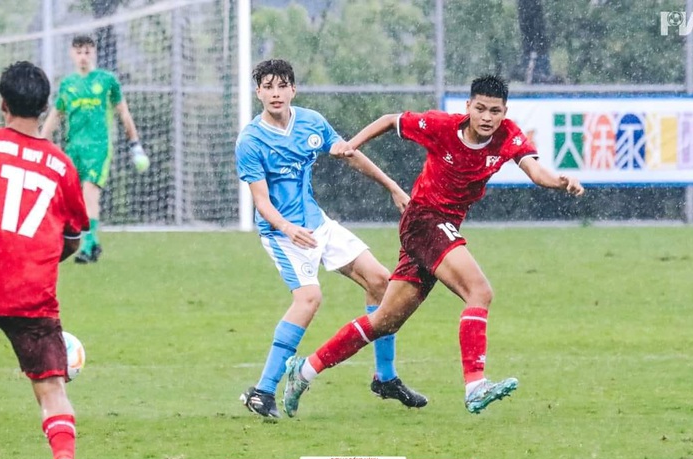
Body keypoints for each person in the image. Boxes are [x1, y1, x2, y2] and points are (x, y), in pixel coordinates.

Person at [282, 74, 585, 417]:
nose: (487, 117)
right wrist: (352, 144)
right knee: (479, 291)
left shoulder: (508, 135)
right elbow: (390, 120)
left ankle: (304, 370)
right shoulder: (441, 126)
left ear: (505, 112)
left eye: (495, 111)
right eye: (481, 109)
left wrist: (560, 181)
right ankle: (475, 386)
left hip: (439, 229)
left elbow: (535, 171)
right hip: (423, 219)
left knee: (384, 322)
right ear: (468, 106)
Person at [235, 59, 427, 418]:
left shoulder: (311, 121)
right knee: (309, 299)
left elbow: (349, 154)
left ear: (293, 89)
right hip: (284, 234)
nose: (275, 93)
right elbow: (261, 202)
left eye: (282, 86)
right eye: (268, 87)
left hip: (317, 223)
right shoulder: (250, 140)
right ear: (258, 92)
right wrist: (288, 229)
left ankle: (385, 378)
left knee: (382, 282)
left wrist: (392, 187)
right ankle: (262, 391)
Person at [0, 61, 90, 459]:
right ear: (46, 108)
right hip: (32, 292)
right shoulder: (61, 166)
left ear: (2, 103)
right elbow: (74, 235)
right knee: (51, 389)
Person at [42, 34, 150, 264]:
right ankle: (91, 242)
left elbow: (123, 112)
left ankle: (88, 246)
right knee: (70, 198)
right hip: (73, 149)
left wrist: (135, 145)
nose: (83, 56)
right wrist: (40, 142)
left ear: (95, 53)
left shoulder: (107, 80)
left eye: (87, 51)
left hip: (99, 148)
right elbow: (55, 116)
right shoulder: (68, 84)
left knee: (89, 191)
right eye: (79, 52)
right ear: (72, 54)